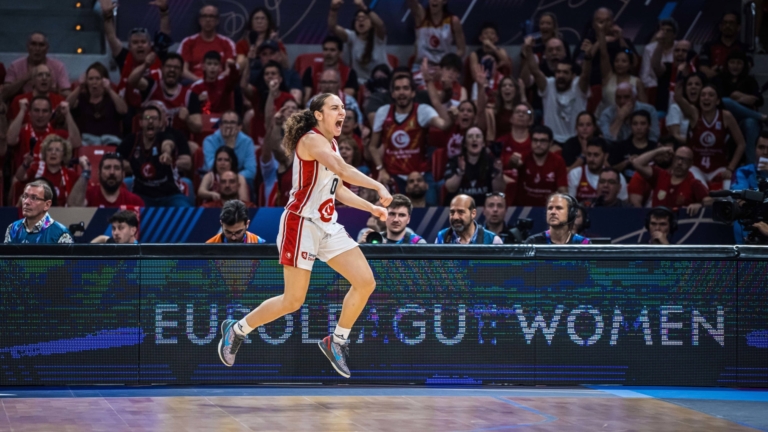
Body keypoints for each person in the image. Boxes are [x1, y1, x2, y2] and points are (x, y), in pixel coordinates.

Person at [217, 93, 393, 379]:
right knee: (292, 301)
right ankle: (236, 330)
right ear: (318, 115)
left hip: (327, 225)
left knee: (366, 282)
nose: (343, 112)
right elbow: (342, 169)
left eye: (343, 108)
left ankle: (336, 340)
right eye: (335, 107)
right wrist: (379, 187)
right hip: (301, 224)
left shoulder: (332, 143)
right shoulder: (311, 140)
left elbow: (335, 187)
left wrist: (369, 206)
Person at [369, 64, 452, 200]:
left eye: (406, 88)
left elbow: (444, 125)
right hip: (392, 174)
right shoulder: (383, 113)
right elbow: (372, 146)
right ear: (393, 93)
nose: (402, 92)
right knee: (390, 215)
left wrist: (451, 118)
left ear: (413, 92)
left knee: (430, 210)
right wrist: (381, 169)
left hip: (421, 174)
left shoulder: (422, 110)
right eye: (398, 89)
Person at [674, 83, 745, 190]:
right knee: (700, 190)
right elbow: (678, 98)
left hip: (719, 167)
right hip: (696, 167)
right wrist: (680, 76)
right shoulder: (694, 114)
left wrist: (730, 168)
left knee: (728, 193)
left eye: (711, 95)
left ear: (717, 100)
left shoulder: (726, 116)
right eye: (703, 95)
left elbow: (741, 144)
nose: (706, 98)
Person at [116, 106, 191, 207]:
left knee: (184, 210)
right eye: (147, 118)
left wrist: (166, 153)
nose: (150, 121)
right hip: (142, 195)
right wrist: (133, 166)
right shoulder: (132, 140)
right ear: (141, 122)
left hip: (170, 195)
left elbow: (168, 144)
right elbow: (116, 159)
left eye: (154, 118)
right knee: (128, 213)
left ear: (160, 123)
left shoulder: (166, 136)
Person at [524, 35, 592, 144]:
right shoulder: (549, 85)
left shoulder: (579, 86)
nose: (561, 75)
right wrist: (528, 49)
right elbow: (535, 71)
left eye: (565, 72)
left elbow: (585, 75)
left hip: (576, 140)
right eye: (558, 72)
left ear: (573, 76)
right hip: (551, 141)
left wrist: (588, 57)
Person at [101, 0, 168, 93]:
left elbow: (165, 34)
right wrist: (107, 17)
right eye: (135, 42)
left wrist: (164, 12)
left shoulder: (156, 54)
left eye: (143, 42)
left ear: (150, 45)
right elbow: (111, 37)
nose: (139, 45)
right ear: (129, 47)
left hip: (155, 102)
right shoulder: (124, 57)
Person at [128, 53, 203, 134]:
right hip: (150, 139)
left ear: (181, 72)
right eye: (168, 66)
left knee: (193, 146)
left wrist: (188, 119)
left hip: (176, 142)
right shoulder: (150, 86)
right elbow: (131, 80)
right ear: (162, 68)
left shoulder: (190, 96)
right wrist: (145, 65)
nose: (172, 70)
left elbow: (198, 129)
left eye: (176, 67)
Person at [714, 50, 765, 165]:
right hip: (724, 120)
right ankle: (762, 117)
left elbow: (759, 100)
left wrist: (740, 97)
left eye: (739, 63)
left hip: (744, 120)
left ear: (744, 65)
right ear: (727, 64)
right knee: (726, 101)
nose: (735, 66)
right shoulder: (719, 79)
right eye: (732, 62)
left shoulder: (750, 80)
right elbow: (719, 99)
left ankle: (752, 166)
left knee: (750, 123)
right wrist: (738, 98)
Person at [6, 96, 81, 171]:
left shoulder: (58, 134)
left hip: (52, 179)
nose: (40, 115)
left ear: (50, 114)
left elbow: (76, 143)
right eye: (36, 110)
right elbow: (10, 140)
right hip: (25, 178)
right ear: (30, 113)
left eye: (45, 111)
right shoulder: (22, 132)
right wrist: (22, 111)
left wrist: (67, 114)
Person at [632, 146, 713, 214]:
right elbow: (637, 163)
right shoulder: (660, 175)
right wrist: (660, 150)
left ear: (691, 163)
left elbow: (710, 201)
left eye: (684, 160)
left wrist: (700, 205)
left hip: (681, 228)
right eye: (677, 158)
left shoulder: (694, 183)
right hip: (658, 226)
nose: (679, 162)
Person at [14, 134, 88, 206]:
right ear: (45, 153)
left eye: (57, 150)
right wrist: (25, 164)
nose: (53, 153)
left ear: (64, 155)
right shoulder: (36, 168)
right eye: (49, 149)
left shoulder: (71, 175)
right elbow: (19, 177)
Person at [328, 0, 390, 83]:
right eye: (358, 18)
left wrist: (363, 7)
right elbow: (333, 27)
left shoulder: (378, 37)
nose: (361, 20)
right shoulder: (351, 36)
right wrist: (334, 9)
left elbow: (380, 24)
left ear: (371, 23)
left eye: (364, 18)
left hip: (382, 81)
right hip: (360, 83)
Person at [407, 0, 466, 86]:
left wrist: (446, 66)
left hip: (443, 68)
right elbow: (411, 2)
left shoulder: (453, 20)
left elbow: (461, 49)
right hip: (421, 67)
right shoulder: (421, 15)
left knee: (449, 92)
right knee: (418, 94)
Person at [66, 62, 127, 144]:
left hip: (110, 141)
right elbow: (66, 105)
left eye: (98, 78)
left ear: (105, 80)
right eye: (90, 79)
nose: (94, 82)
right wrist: (80, 86)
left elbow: (123, 110)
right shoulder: (81, 98)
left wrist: (109, 89)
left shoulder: (112, 98)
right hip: (86, 142)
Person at [444, 126, 506, 206]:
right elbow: (450, 188)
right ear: (465, 144)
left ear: (483, 143)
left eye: (478, 136)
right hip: (459, 209)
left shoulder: (492, 161)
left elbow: (498, 191)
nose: (474, 139)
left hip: (484, 210)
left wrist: (498, 175)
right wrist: (460, 172)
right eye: (470, 137)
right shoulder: (456, 161)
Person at [508, 125, 568, 206]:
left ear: (550, 143)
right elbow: (513, 165)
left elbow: (563, 190)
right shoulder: (524, 157)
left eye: (543, 141)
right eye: (535, 140)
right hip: (523, 209)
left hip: (548, 209)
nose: (538, 144)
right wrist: (513, 162)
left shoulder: (558, 161)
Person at [596, 19, 646, 111]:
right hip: (605, 120)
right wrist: (601, 32)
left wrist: (621, 38)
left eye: (624, 61)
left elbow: (645, 108)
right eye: (617, 61)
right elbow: (604, 54)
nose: (620, 64)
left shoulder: (637, 82)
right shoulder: (608, 76)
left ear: (629, 64)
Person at [177, 5, 237, 81]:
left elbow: (229, 71)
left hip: (219, 85)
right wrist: (200, 83)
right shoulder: (188, 42)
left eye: (211, 16)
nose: (208, 19)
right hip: (193, 83)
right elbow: (183, 71)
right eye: (204, 16)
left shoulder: (227, 43)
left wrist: (214, 83)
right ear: (199, 20)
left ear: (217, 20)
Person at [3, 32, 70, 98]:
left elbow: (66, 92)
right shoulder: (15, 66)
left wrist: (54, 90)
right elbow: (4, 93)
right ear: (27, 47)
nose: (37, 49)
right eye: (33, 44)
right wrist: (25, 78)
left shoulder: (58, 67)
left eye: (41, 45)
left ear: (47, 49)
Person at [4, 181, 73, 244]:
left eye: (34, 198)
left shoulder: (61, 234)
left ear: (47, 205)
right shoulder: (12, 229)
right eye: (25, 197)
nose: (26, 202)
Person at [68, 153, 145, 208]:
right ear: (99, 173)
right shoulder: (89, 194)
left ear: (123, 174)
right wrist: (85, 172)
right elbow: (72, 207)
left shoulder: (135, 201)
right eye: (107, 167)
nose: (112, 172)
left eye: (117, 168)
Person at [203, 110, 257, 187]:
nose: (228, 126)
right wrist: (229, 146)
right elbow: (211, 167)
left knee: (248, 182)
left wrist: (232, 178)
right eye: (225, 122)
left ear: (239, 127)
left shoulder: (247, 142)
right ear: (220, 126)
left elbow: (251, 171)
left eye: (232, 122)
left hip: (237, 179)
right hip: (214, 179)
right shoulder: (209, 141)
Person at [731, 132, 768, 244]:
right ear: (754, 149)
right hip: (749, 225)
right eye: (761, 147)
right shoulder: (743, 172)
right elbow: (740, 197)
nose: (765, 152)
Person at [568, 138, 627, 206]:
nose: (591, 159)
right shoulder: (575, 174)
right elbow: (570, 205)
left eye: (596, 155)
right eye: (589, 154)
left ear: (605, 156)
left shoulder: (618, 177)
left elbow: (624, 207)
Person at [302, 35, 358, 104]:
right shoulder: (311, 71)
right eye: (325, 49)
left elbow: (347, 99)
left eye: (332, 50)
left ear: (340, 53)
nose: (328, 53)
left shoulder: (349, 73)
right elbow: (306, 98)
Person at [699, 12, 750, 80]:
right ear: (720, 26)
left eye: (731, 23)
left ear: (738, 27)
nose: (727, 26)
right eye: (725, 23)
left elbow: (747, 67)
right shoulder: (708, 46)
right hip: (713, 85)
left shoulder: (745, 48)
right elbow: (703, 68)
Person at [524, 193, 591, 244]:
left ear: (570, 213)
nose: (553, 212)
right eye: (550, 208)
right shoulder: (533, 242)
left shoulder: (583, 243)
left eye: (559, 208)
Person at [359, 194, 426, 244]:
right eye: (392, 214)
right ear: (384, 216)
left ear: (408, 219)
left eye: (402, 215)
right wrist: (361, 247)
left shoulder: (418, 243)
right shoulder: (372, 240)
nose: (396, 219)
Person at [435, 194, 502, 244]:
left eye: (461, 212)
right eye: (452, 212)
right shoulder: (442, 237)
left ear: (473, 213)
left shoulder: (492, 240)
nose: (455, 217)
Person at [609, 110, 657, 179]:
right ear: (630, 126)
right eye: (635, 124)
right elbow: (611, 170)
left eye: (643, 124)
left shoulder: (654, 148)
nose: (639, 127)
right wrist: (626, 162)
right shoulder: (620, 146)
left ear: (649, 126)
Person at [641, 19, 678, 101]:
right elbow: (644, 76)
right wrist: (656, 88)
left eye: (668, 31)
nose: (664, 33)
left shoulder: (679, 48)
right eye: (662, 30)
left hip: (675, 86)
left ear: (674, 35)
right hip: (655, 87)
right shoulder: (649, 49)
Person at [666, 72, 704, 146]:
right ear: (685, 89)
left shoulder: (708, 109)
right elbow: (675, 136)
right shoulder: (675, 108)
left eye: (697, 84)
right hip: (681, 147)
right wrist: (696, 143)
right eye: (689, 84)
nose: (693, 87)